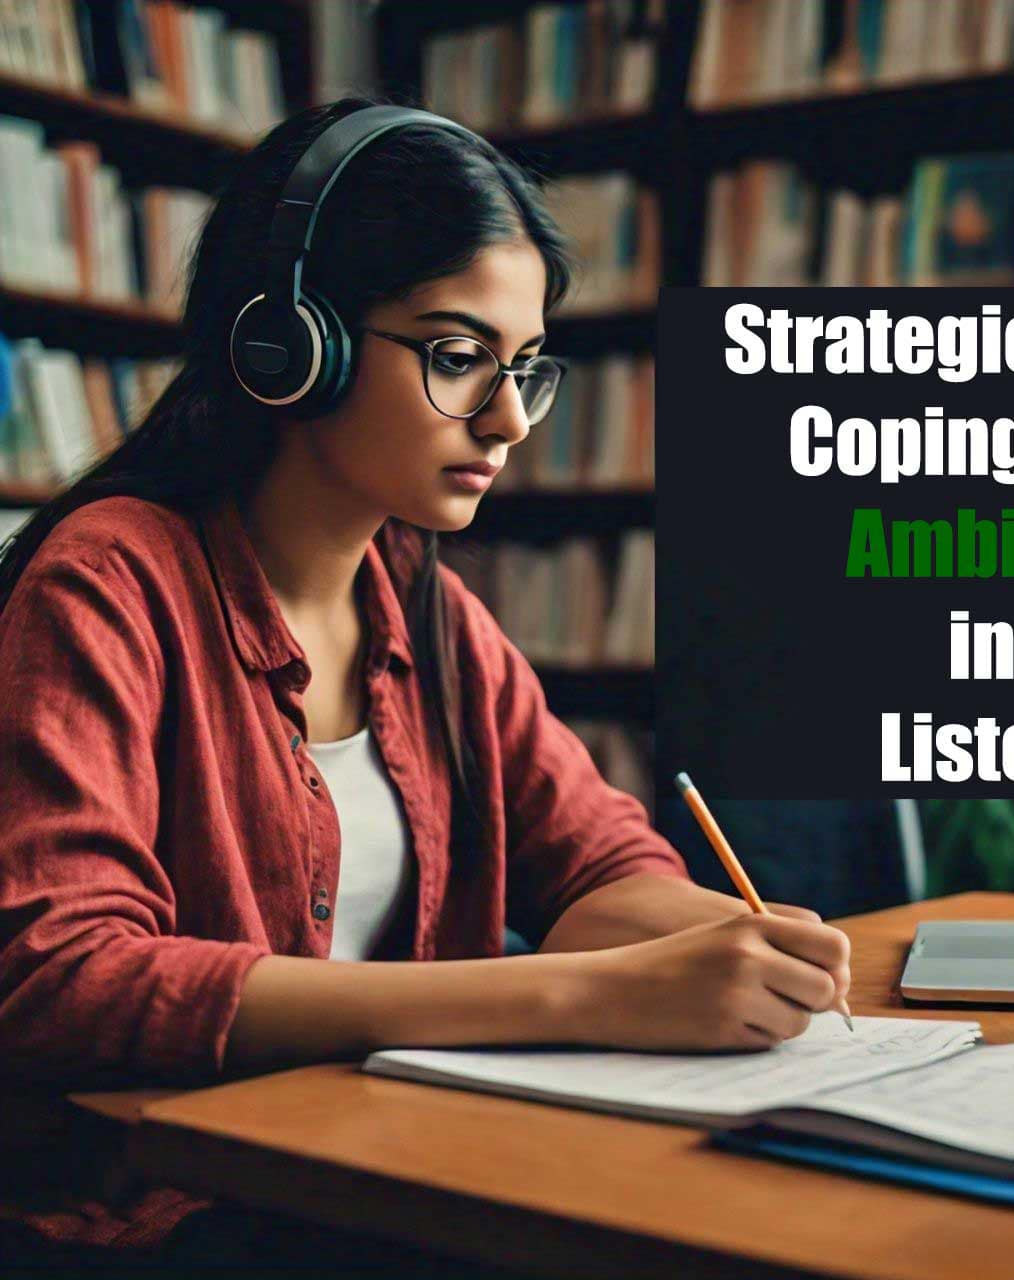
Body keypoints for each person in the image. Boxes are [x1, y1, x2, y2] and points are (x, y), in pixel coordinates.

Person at [0, 96, 852, 1276]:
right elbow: (64, 978)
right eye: (458, 358)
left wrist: (743, 944)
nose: (506, 420)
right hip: (163, 1215)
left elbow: (599, 866)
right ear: (293, 342)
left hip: (384, 1175)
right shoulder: (108, 579)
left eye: (524, 369)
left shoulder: (426, 609)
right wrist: (574, 996)